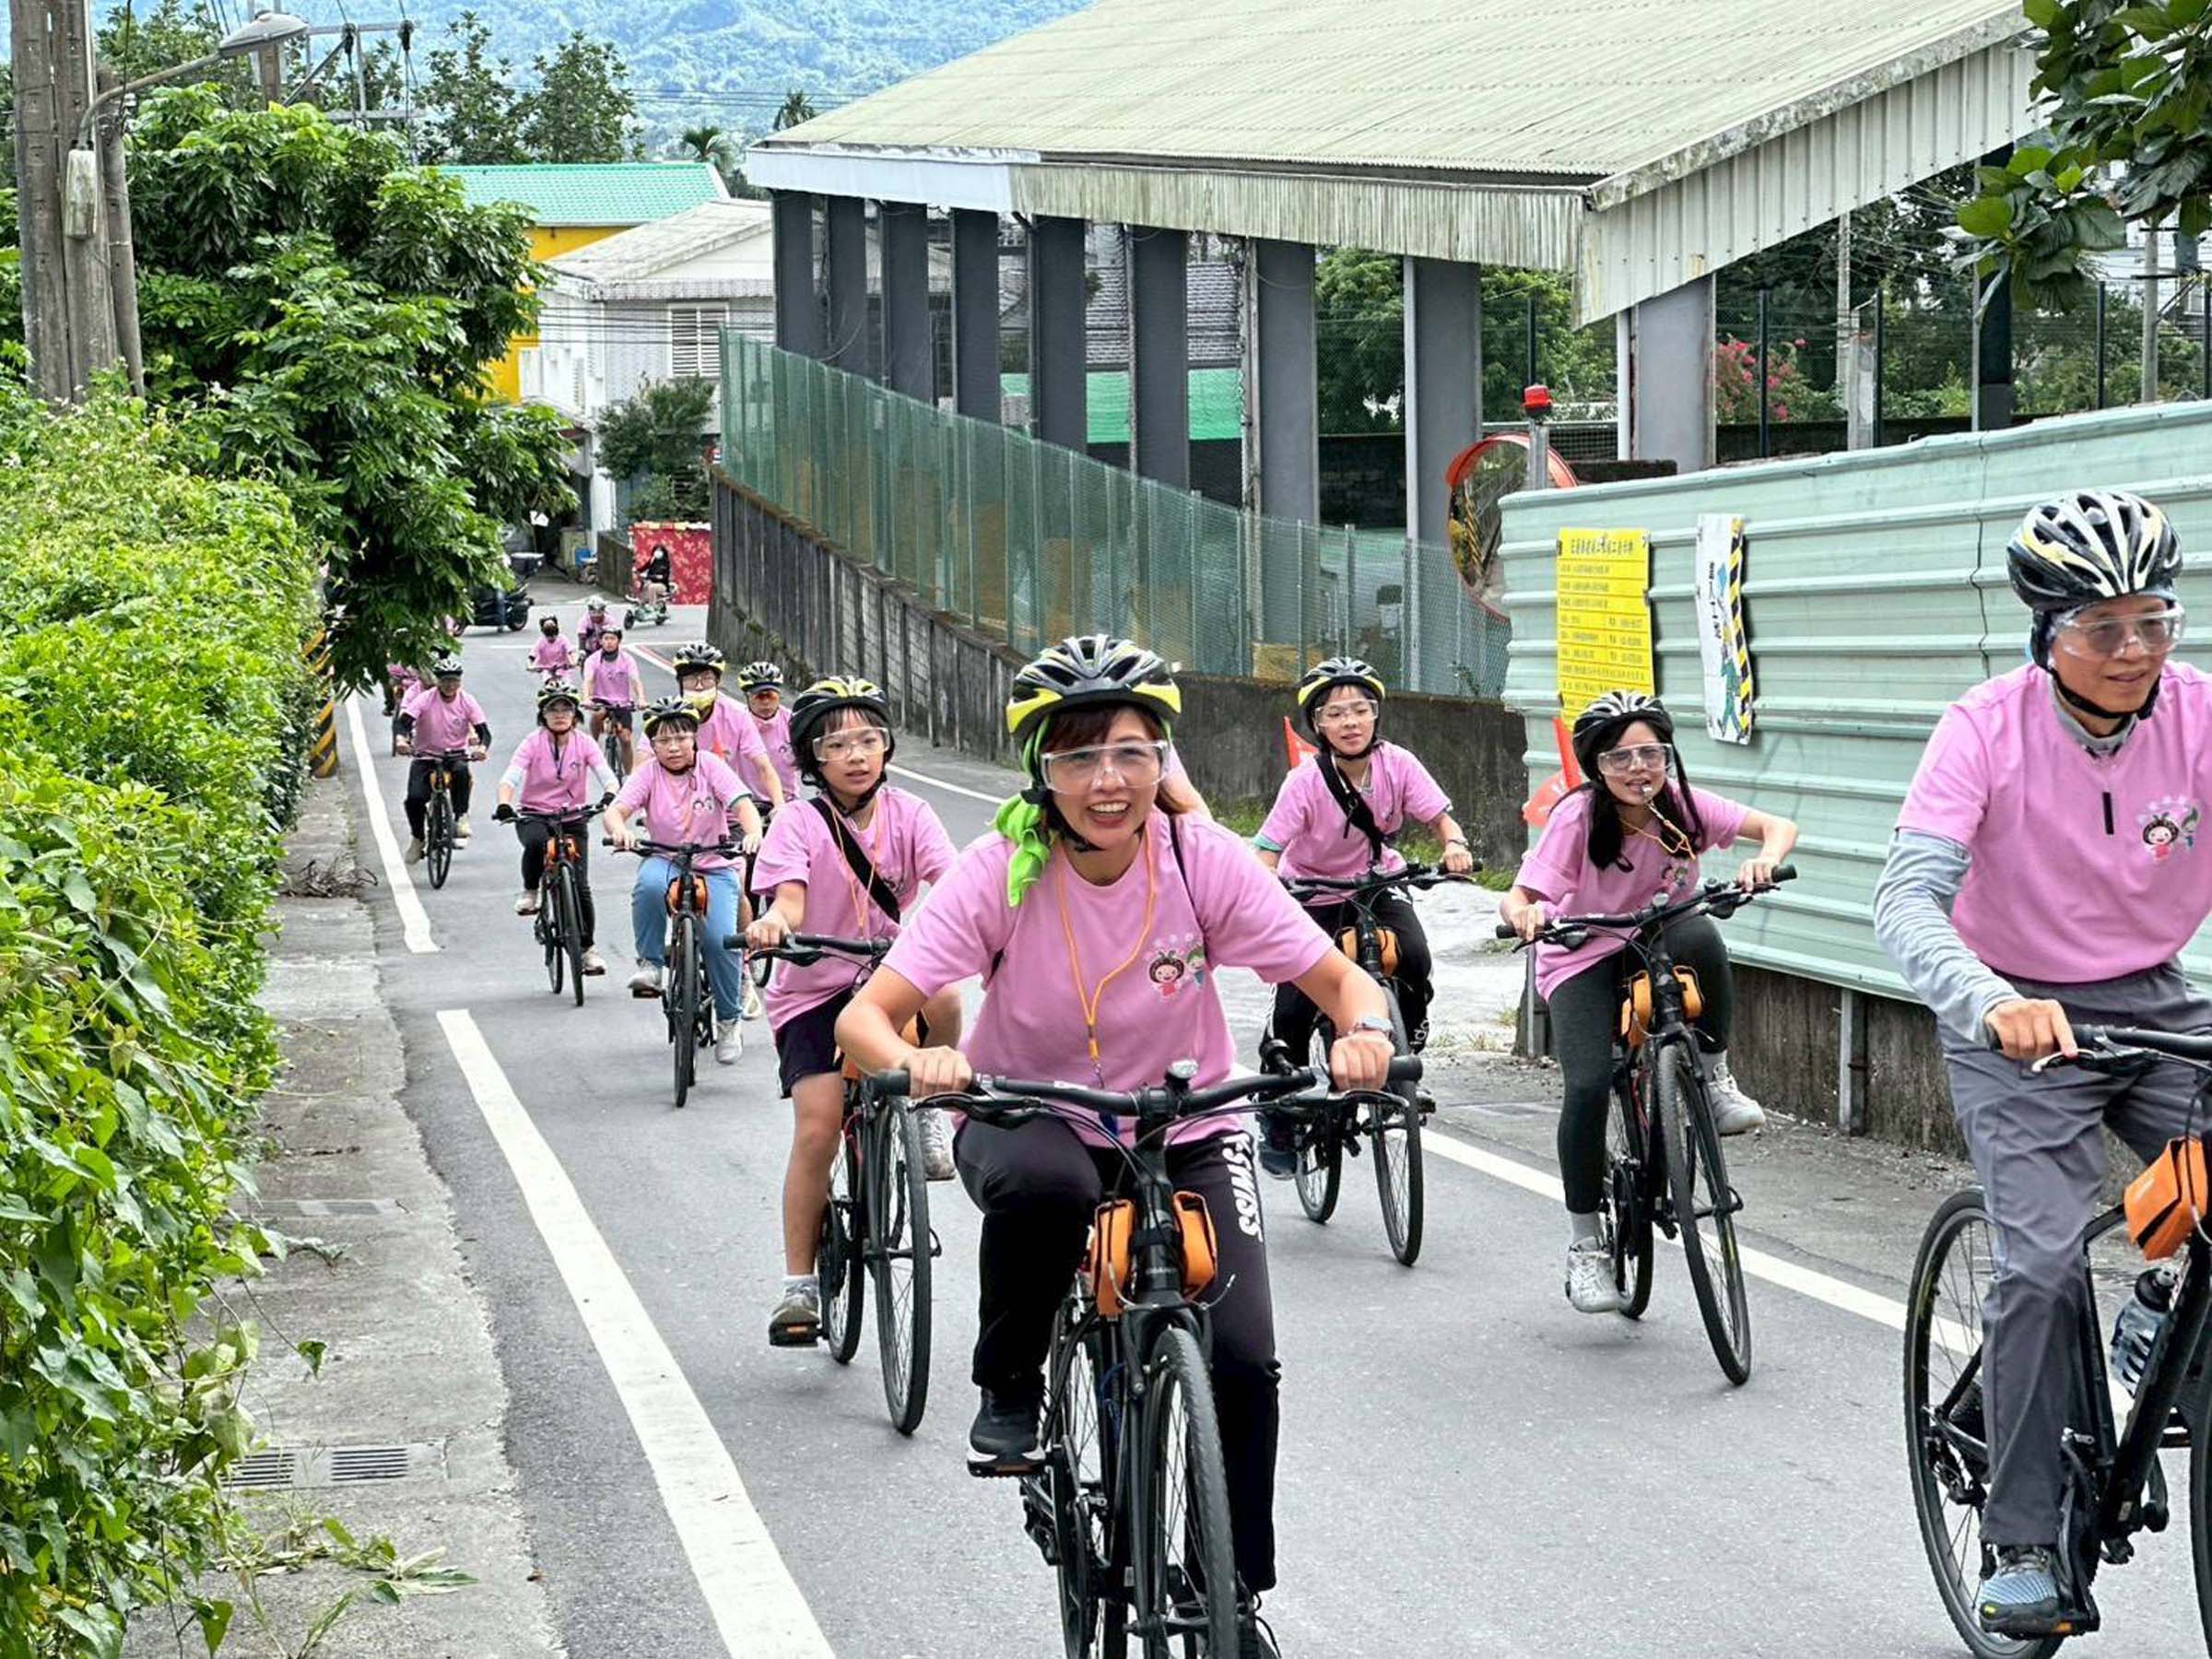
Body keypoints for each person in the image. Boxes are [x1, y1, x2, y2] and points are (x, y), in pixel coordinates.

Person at [836, 635, 1396, 1659]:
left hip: (1190, 1122)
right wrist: (919, 1063)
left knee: (1241, 1358)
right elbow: (869, 1018)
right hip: (1032, 1112)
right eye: (1080, 757)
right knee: (1048, 1188)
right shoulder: (1002, 866)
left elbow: (1339, 980)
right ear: (1041, 772)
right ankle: (1012, 1385)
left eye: (1134, 753)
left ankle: (1231, 1589)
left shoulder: (1200, 858)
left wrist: (1366, 1034)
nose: (1108, 781)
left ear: (1162, 764)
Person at [1873, 488, 2206, 1638]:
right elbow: (1906, 899)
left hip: (2160, 1000)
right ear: (2045, 634)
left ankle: (2165, 1301)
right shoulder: (1983, 727)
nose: (2131, 650)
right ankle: (2023, 1535)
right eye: (2099, 628)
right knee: (2044, 1261)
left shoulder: (2202, 715)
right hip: (2021, 1021)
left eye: (2152, 621)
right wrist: (1990, 998)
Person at [1498, 689, 1795, 1315]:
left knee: (1701, 933)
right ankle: (1586, 1248)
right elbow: (1519, 896)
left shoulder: (1680, 806)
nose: (1639, 769)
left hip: (1657, 939)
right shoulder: (1578, 819)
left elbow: (1776, 826)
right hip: (1582, 952)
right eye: (1620, 758)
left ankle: (1711, 1081)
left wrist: (1762, 862)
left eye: (1651, 753)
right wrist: (1527, 916)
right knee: (1584, 1087)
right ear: (1596, 768)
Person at [744, 677, 964, 1346]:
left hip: (891, 979)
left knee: (950, 992)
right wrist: (776, 925)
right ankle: (799, 1286)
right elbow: (789, 900)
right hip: (814, 987)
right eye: (837, 744)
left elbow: (951, 886)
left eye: (869, 739)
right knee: (816, 1129)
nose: (857, 754)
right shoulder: (796, 822)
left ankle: (927, 1112)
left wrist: (961, 929)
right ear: (811, 759)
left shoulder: (913, 814)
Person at [1249, 657, 1473, 1176]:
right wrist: (1269, 890)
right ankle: (1280, 1117)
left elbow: (1440, 819)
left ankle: (1402, 1051)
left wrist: (1455, 844)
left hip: (1378, 884)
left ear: (1376, 716)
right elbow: (1265, 851)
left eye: (1360, 710)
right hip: (1315, 892)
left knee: (1413, 955)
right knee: (1294, 1008)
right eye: (1335, 713)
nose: (1350, 722)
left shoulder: (1398, 763)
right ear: (1318, 724)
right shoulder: (1304, 782)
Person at [606, 697, 763, 1065]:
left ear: (695, 738)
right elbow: (617, 811)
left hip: (714, 862)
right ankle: (651, 965)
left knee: (720, 941)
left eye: (680, 737)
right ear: (653, 745)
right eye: (663, 740)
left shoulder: (712, 766)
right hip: (666, 858)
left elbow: (743, 805)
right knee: (647, 886)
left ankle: (728, 1021)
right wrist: (620, 832)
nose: (673, 747)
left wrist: (753, 832)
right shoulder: (647, 773)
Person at [492, 679, 618, 975]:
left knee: (581, 886)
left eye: (566, 708)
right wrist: (504, 803)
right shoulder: (532, 743)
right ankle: (530, 889)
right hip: (535, 815)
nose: (560, 714)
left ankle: (587, 949)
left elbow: (606, 775)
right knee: (535, 843)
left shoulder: (584, 742)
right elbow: (510, 777)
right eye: (552, 709)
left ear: (575, 714)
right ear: (542, 715)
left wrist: (610, 794)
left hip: (574, 817)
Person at [671, 641, 787, 812]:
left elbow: (763, 767)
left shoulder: (738, 715)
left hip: (728, 815)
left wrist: (779, 804)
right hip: (680, 813)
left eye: (707, 678)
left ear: (718, 682)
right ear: (680, 682)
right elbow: (642, 767)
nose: (699, 685)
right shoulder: (665, 717)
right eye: (690, 678)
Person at [394, 654, 490, 862]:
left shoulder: (467, 700)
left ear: (460, 681)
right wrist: (402, 740)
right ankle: (418, 839)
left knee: (462, 772)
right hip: (425, 755)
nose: (450, 685)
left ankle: (461, 816)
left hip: (455, 754)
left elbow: (484, 731)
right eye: (445, 680)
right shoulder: (425, 699)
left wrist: (482, 748)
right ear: (437, 681)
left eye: (454, 680)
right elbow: (404, 722)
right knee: (414, 799)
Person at [739, 660, 803, 806]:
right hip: (749, 804)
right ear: (748, 698)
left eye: (772, 696)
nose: (766, 703)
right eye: (760, 697)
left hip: (787, 802)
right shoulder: (737, 723)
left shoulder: (793, 722)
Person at [582, 621, 643, 772]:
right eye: (606, 639)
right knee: (598, 713)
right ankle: (594, 744)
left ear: (619, 641)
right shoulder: (593, 660)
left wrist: (641, 698)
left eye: (613, 639)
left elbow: (635, 680)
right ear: (601, 641)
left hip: (622, 703)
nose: (609, 642)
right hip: (600, 699)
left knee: (626, 739)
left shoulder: (627, 659)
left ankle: (629, 775)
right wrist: (586, 698)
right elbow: (588, 680)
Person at [526, 615, 573, 681]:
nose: (551, 638)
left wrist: (572, 662)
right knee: (548, 684)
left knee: (567, 685)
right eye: (548, 635)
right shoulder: (540, 642)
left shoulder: (563, 639)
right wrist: (530, 666)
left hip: (562, 669)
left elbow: (570, 652)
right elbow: (532, 656)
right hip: (547, 670)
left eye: (553, 634)